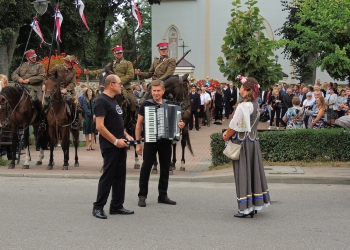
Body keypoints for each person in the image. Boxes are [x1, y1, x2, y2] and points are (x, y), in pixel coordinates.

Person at [222, 76, 270, 218]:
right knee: (254, 171)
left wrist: (226, 135)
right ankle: (254, 205)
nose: (240, 89)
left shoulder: (243, 106)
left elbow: (234, 126)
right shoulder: (256, 105)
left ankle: (245, 208)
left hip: (242, 142)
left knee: (242, 173)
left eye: (241, 87)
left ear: (246, 89)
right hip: (253, 142)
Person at [135, 79, 185, 207]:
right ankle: (142, 195)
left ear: (163, 91)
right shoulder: (145, 104)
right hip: (150, 140)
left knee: (165, 168)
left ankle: (162, 195)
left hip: (165, 142)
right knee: (146, 168)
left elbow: (178, 123)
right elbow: (139, 125)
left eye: (158, 91)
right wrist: (138, 143)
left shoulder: (170, 104)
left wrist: (180, 124)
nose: (156, 93)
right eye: (154, 91)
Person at [92, 74, 134, 219]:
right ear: (111, 84)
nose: (121, 86)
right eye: (120, 83)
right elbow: (100, 126)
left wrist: (126, 135)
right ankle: (98, 207)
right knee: (108, 175)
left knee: (120, 176)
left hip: (121, 144)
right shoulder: (101, 101)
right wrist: (116, 141)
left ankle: (116, 205)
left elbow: (115, 123)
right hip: (111, 146)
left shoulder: (113, 100)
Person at [84, 45, 136, 114]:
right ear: (114, 54)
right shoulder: (111, 64)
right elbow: (101, 71)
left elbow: (130, 76)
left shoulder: (127, 63)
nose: (119, 54)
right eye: (117, 53)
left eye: (120, 52)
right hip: (111, 86)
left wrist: (118, 82)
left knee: (131, 100)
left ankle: (132, 119)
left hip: (124, 87)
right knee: (98, 97)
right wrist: (90, 72)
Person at [47, 55, 79, 129]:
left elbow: (73, 83)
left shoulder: (73, 71)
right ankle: (43, 120)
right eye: (72, 63)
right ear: (67, 63)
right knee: (45, 102)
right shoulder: (58, 67)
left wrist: (66, 89)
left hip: (69, 90)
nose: (73, 65)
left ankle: (75, 121)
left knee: (75, 103)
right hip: (56, 89)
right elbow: (48, 75)